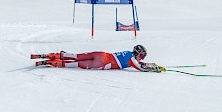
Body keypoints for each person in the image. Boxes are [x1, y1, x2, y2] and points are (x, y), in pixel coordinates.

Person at [34, 45, 166, 72]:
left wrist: (147, 63)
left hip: (102, 54)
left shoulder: (127, 53)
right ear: (138, 53)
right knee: (76, 64)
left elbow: (138, 63)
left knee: (76, 57)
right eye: (142, 55)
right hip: (102, 62)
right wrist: (154, 68)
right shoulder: (133, 60)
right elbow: (139, 68)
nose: (141, 58)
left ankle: (52, 56)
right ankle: (55, 63)